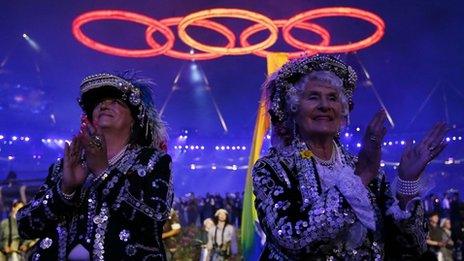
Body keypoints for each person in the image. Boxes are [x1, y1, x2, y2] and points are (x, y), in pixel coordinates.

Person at [252, 55, 448, 260]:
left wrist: (407, 183)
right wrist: (358, 179)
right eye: (313, 97)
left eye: (332, 98)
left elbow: (411, 246)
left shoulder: (364, 167)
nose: (324, 105)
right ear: (293, 108)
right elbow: (291, 239)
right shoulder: (273, 168)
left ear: (343, 109)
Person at [17, 72, 173, 260]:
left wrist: (103, 173)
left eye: (116, 101)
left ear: (134, 119)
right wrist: (65, 190)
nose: (104, 105)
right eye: (99, 102)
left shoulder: (152, 161)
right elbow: (25, 226)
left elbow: (153, 220)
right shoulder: (65, 165)